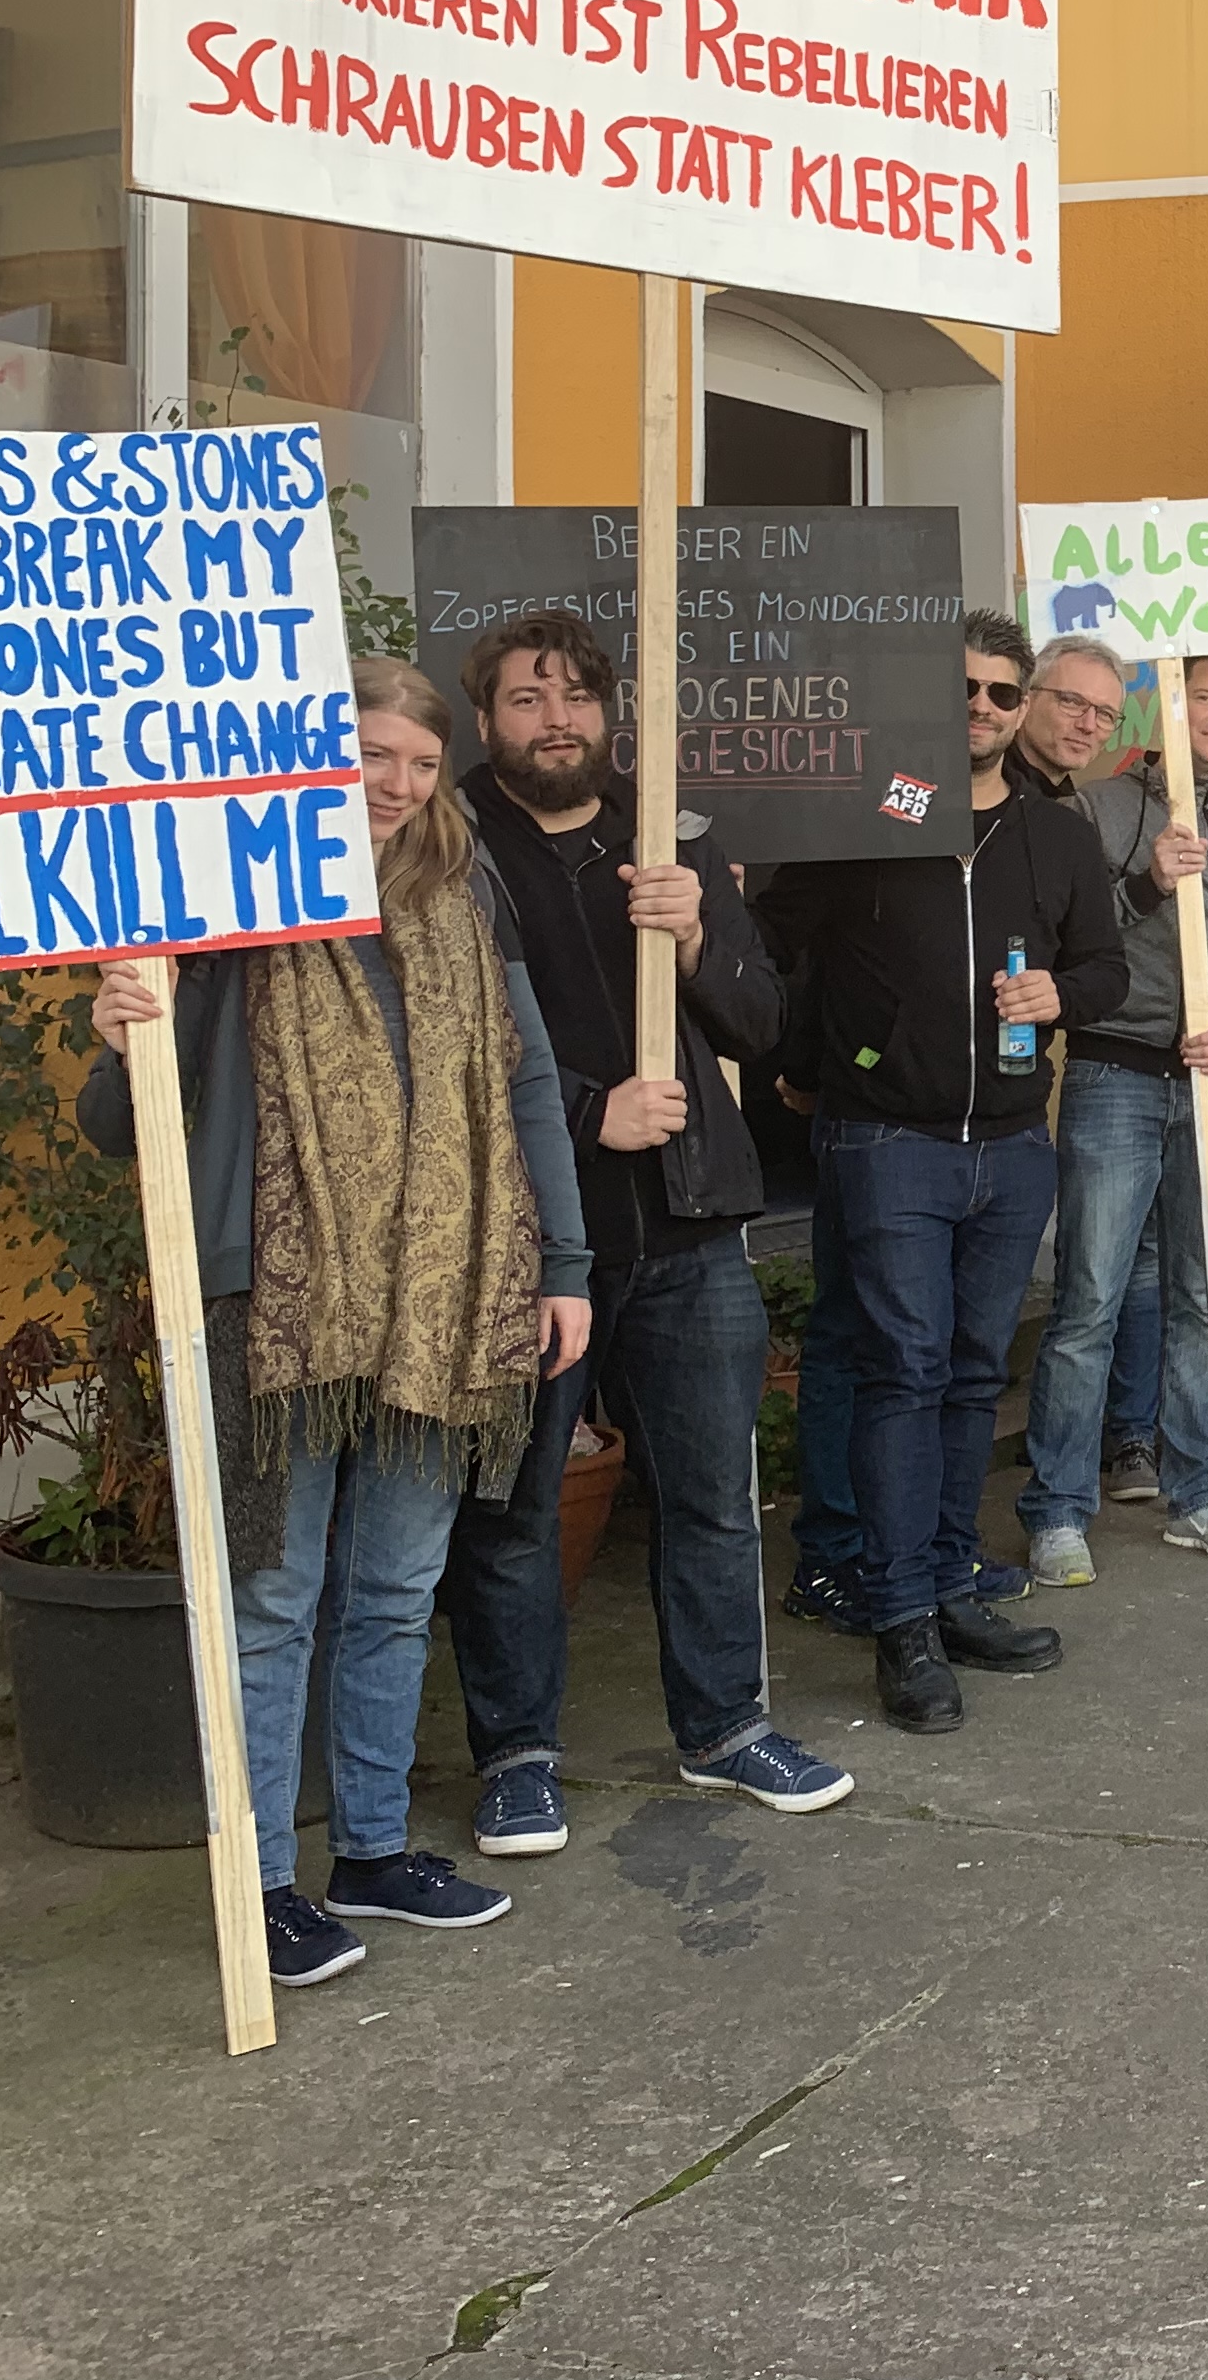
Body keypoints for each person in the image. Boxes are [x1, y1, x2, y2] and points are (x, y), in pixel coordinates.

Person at [80, 658, 594, 1988]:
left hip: (447, 1291)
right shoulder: (229, 902)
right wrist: (123, 1029)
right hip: (279, 1302)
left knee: (397, 1589)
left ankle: (371, 1849)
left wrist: (565, 1264)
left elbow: (528, 1084)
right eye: (373, 755)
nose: (398, 784)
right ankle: (260, 1887)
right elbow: (119, 1124)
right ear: (317, 756)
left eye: (420, 763)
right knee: (271, 1598)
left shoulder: (466, 890)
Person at [453, 612, 852, 1843]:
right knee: (515, 1511)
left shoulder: (669, 836)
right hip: (529, 1241)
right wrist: (591, 1112)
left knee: (713, 1498)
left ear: (610, 715)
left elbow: (760, 1024)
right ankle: (516, 1756)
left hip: (687, 1225)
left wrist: (695, 937)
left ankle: (726, 1729)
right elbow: (445, 1043)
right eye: (527, 699)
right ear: (487, 719)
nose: (555, 720)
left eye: (576, 697)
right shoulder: (450, 847)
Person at [763, 614, 1123, 1732]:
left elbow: (1106, 966)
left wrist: (1062, 994)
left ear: (1022, 709)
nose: (981, 707)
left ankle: (953, 1582)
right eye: (963, 687)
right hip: (888, 1141)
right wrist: (808, 1066)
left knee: (972, 1375)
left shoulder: (1055, 835)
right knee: (904, 1372)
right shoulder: (876, 809)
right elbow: (780, 940)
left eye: (1003, 693)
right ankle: (901, 1617)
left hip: (1011, 1146)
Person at [1016, 649, 1208, 1579]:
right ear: (1169, 708)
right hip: (1116, 1072)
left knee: (1204, 1295)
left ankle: (1201, 1495)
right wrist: (1145, 884)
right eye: (1204, 699)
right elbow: (1066, 941)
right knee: (1090, 1297)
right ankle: (1058, 1510)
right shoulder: (1097, 809)